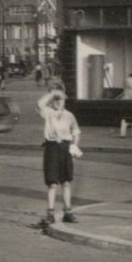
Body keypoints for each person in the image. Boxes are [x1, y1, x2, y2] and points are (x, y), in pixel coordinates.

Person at [36, 81, 83, 228]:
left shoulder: (69, 115)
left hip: (65, 148)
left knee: (66, 181)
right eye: (55, 99)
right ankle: (50, 213)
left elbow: (76, 132)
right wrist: (52, 93)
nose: (58, 102)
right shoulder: (48, 113)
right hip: (52, 147)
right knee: (52, 183)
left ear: (65, 99)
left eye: (60, 99)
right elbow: (39, 104)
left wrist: (74, 145)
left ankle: (67, 212)